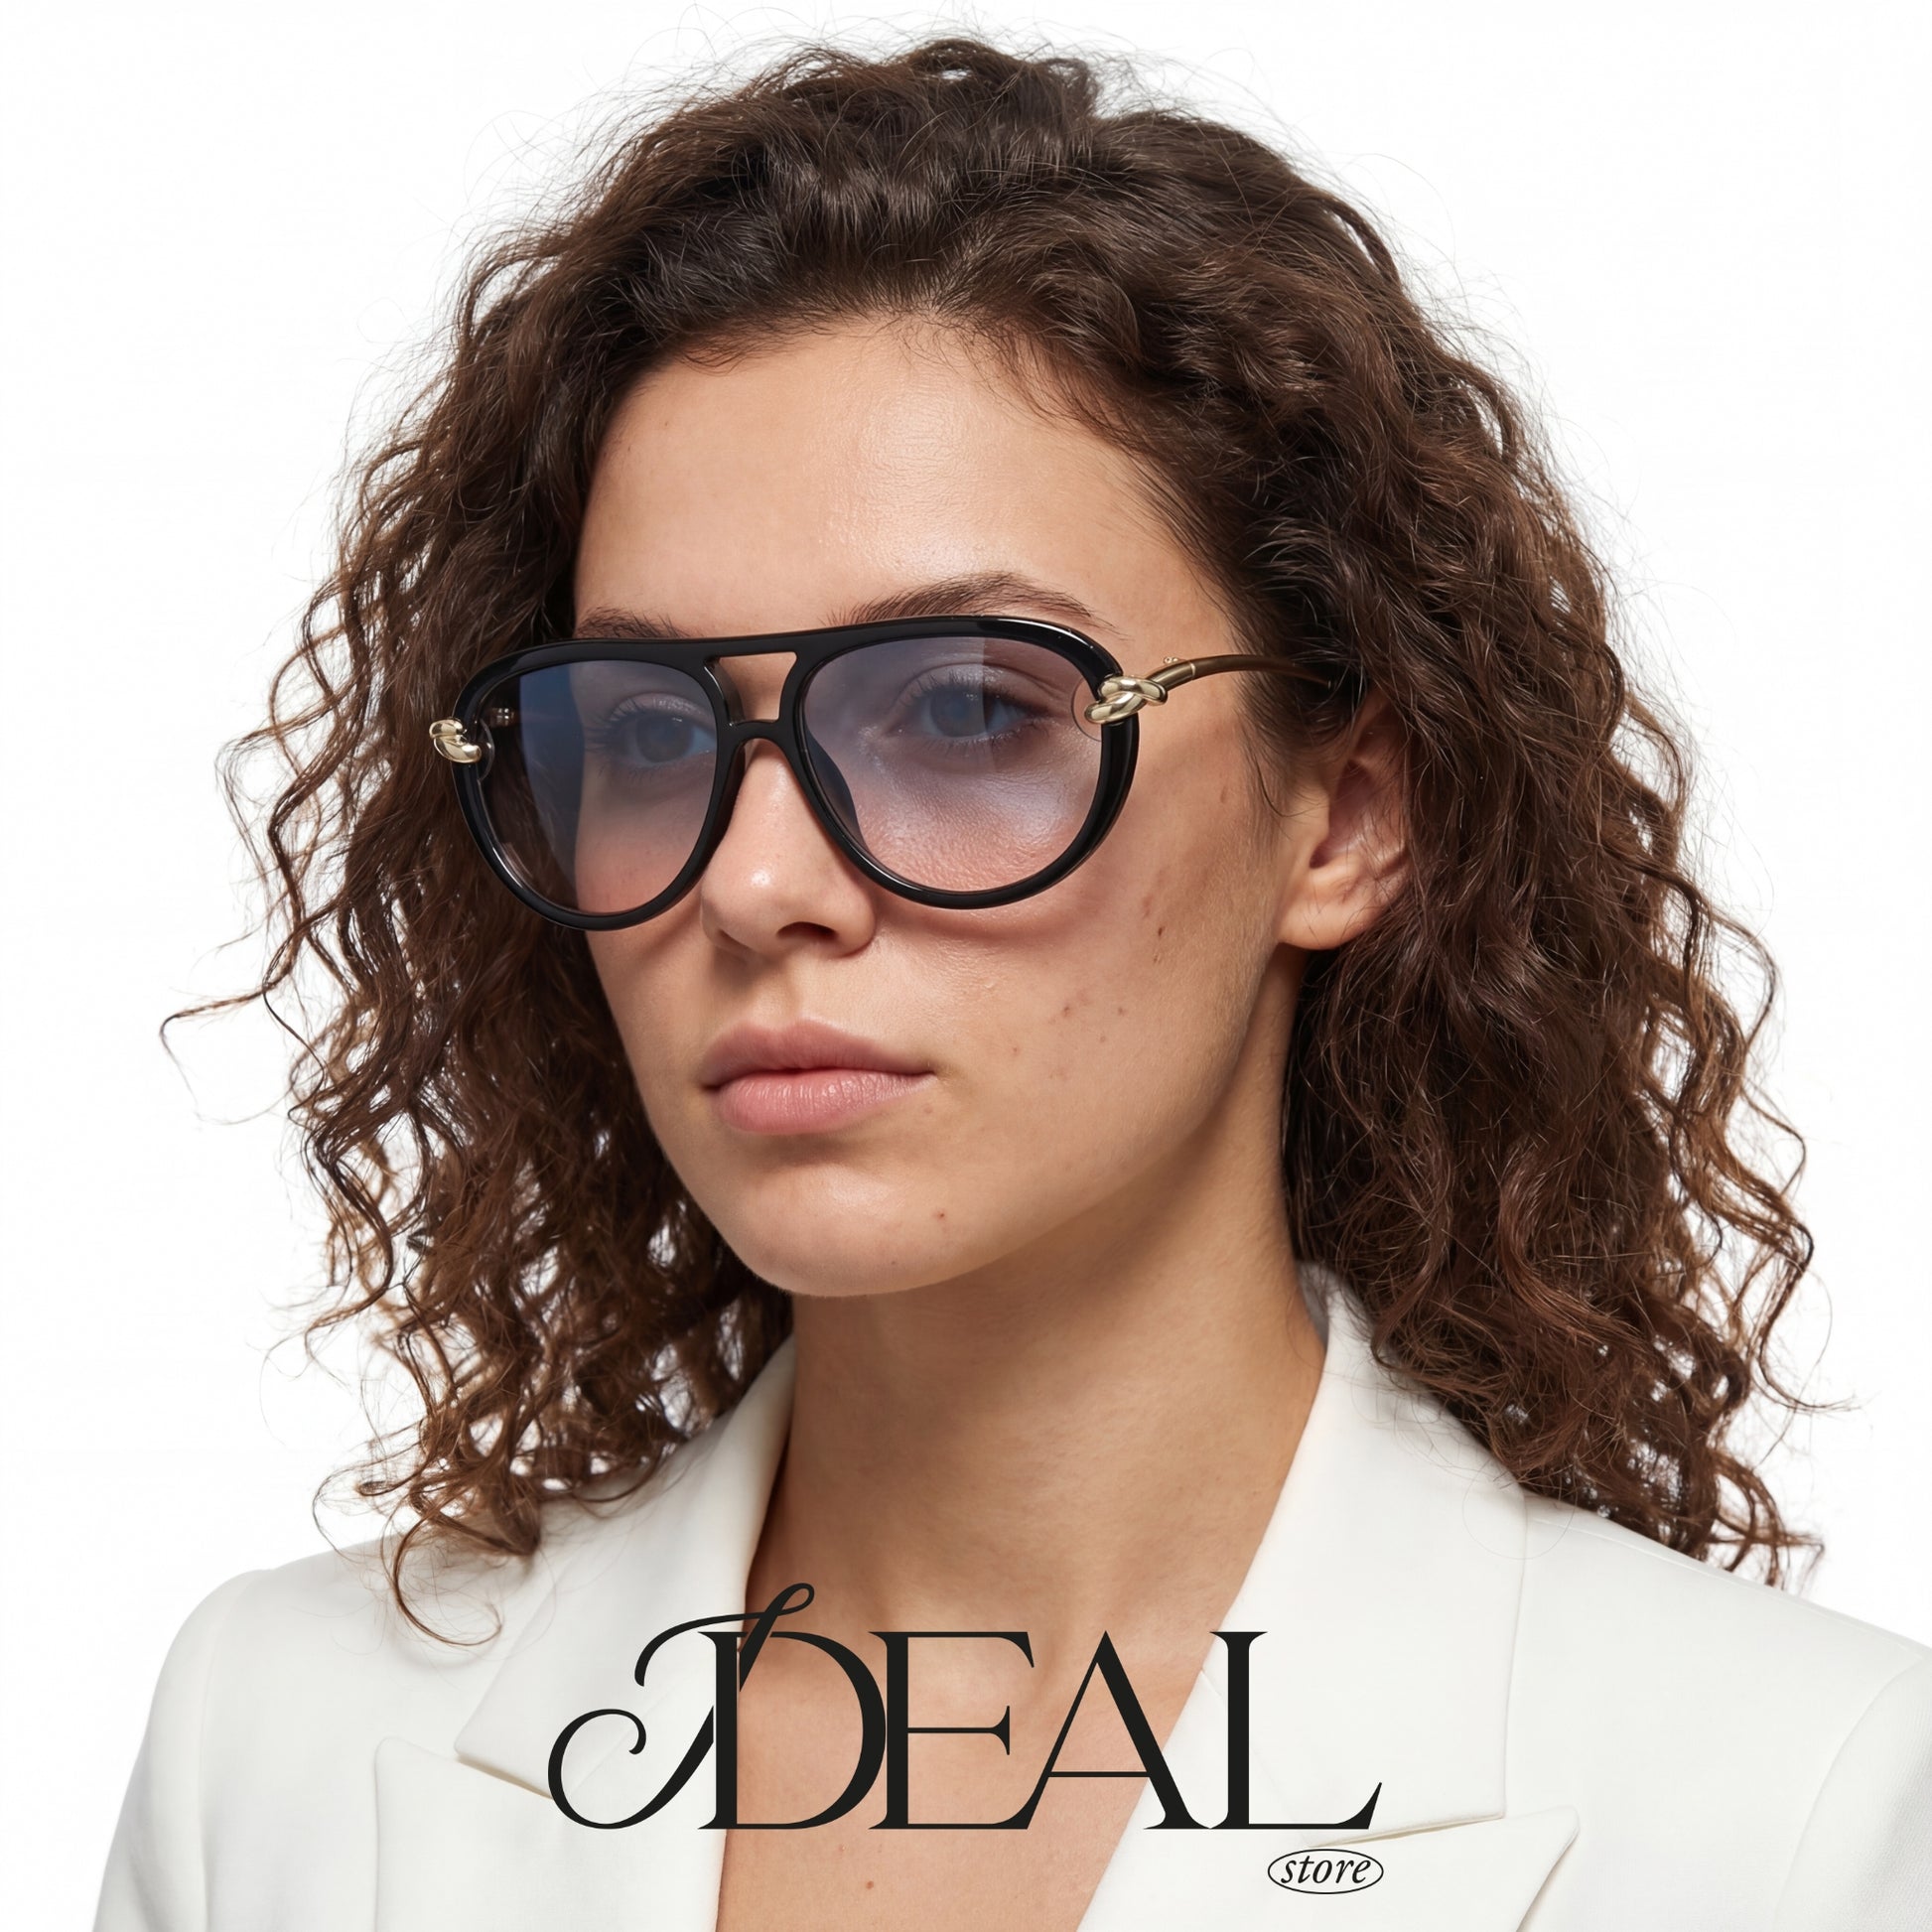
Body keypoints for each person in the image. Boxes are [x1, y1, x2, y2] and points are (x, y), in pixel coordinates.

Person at [94, 32, 1932, 1932]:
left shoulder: (1795, 1819)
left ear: (1343, 815)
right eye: (641, 732)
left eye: (969, 711)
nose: (754, 882)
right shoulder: (278, 1753)